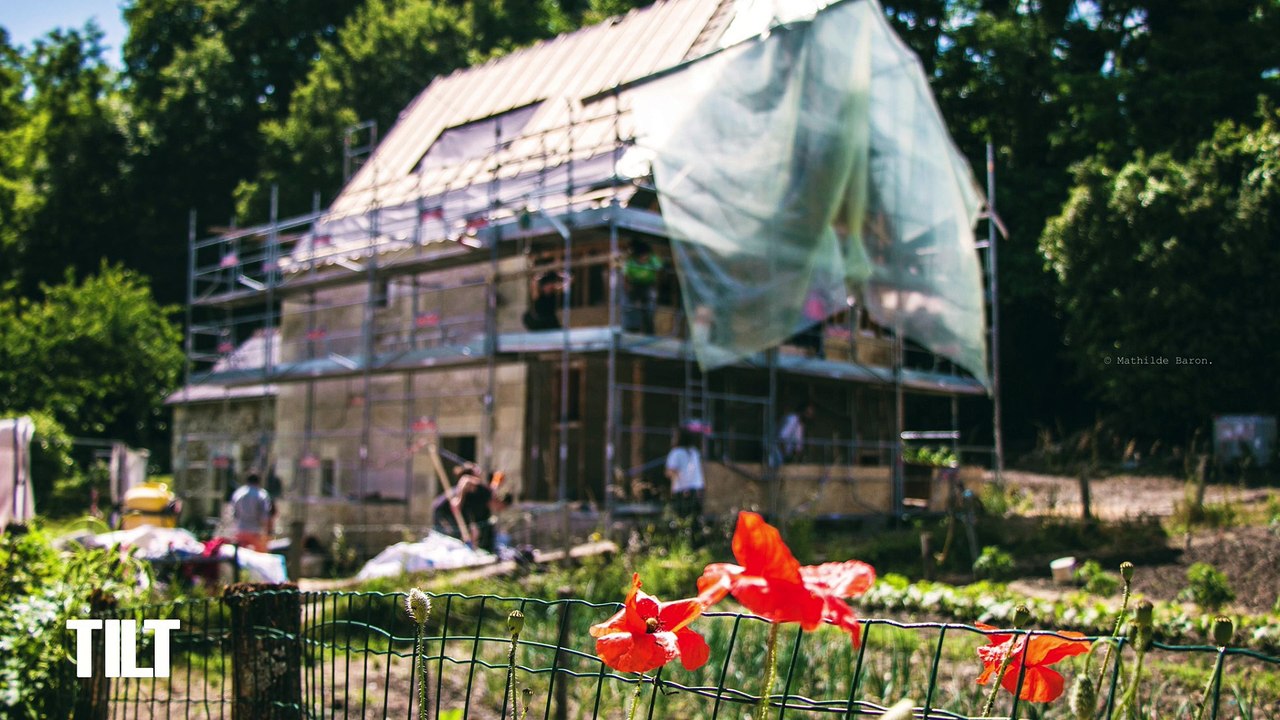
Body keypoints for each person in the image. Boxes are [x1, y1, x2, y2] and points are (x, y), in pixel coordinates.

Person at [434, 465, 510, 552]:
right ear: (499, 502)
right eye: (500, 507)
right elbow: (466, 480)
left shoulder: (484, 510)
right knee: (451, 536)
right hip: (448, 510)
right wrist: (459, 500)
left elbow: (477, 528)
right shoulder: (485, 492)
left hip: (461, 513)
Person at [665, 425, 705, 520]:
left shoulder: (676, 453)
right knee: (694, 519)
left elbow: (670, 472)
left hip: (682, 490)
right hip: (697, 489)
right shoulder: (694, 452)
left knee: (681, 519)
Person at [622, 238, 662, 334]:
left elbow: (659, 271)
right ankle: (632, 329)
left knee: (649, 309)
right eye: (641, 257)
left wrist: (656, 285)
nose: (644, 258)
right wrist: (628, 286)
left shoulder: (653, 259)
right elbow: (625, 276)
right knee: (632, 307)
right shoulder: (630, 262)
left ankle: (649, 331)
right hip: (635, 286)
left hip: (649, 286)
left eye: (645, 256)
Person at [230, 472, 274, 552]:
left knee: (240, 557)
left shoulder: (238, 493)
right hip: (256, 531)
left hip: (240, 529)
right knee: (259, 557)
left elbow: (234, 513)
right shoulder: (262, 494)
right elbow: (265, 516)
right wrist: (269, 531)